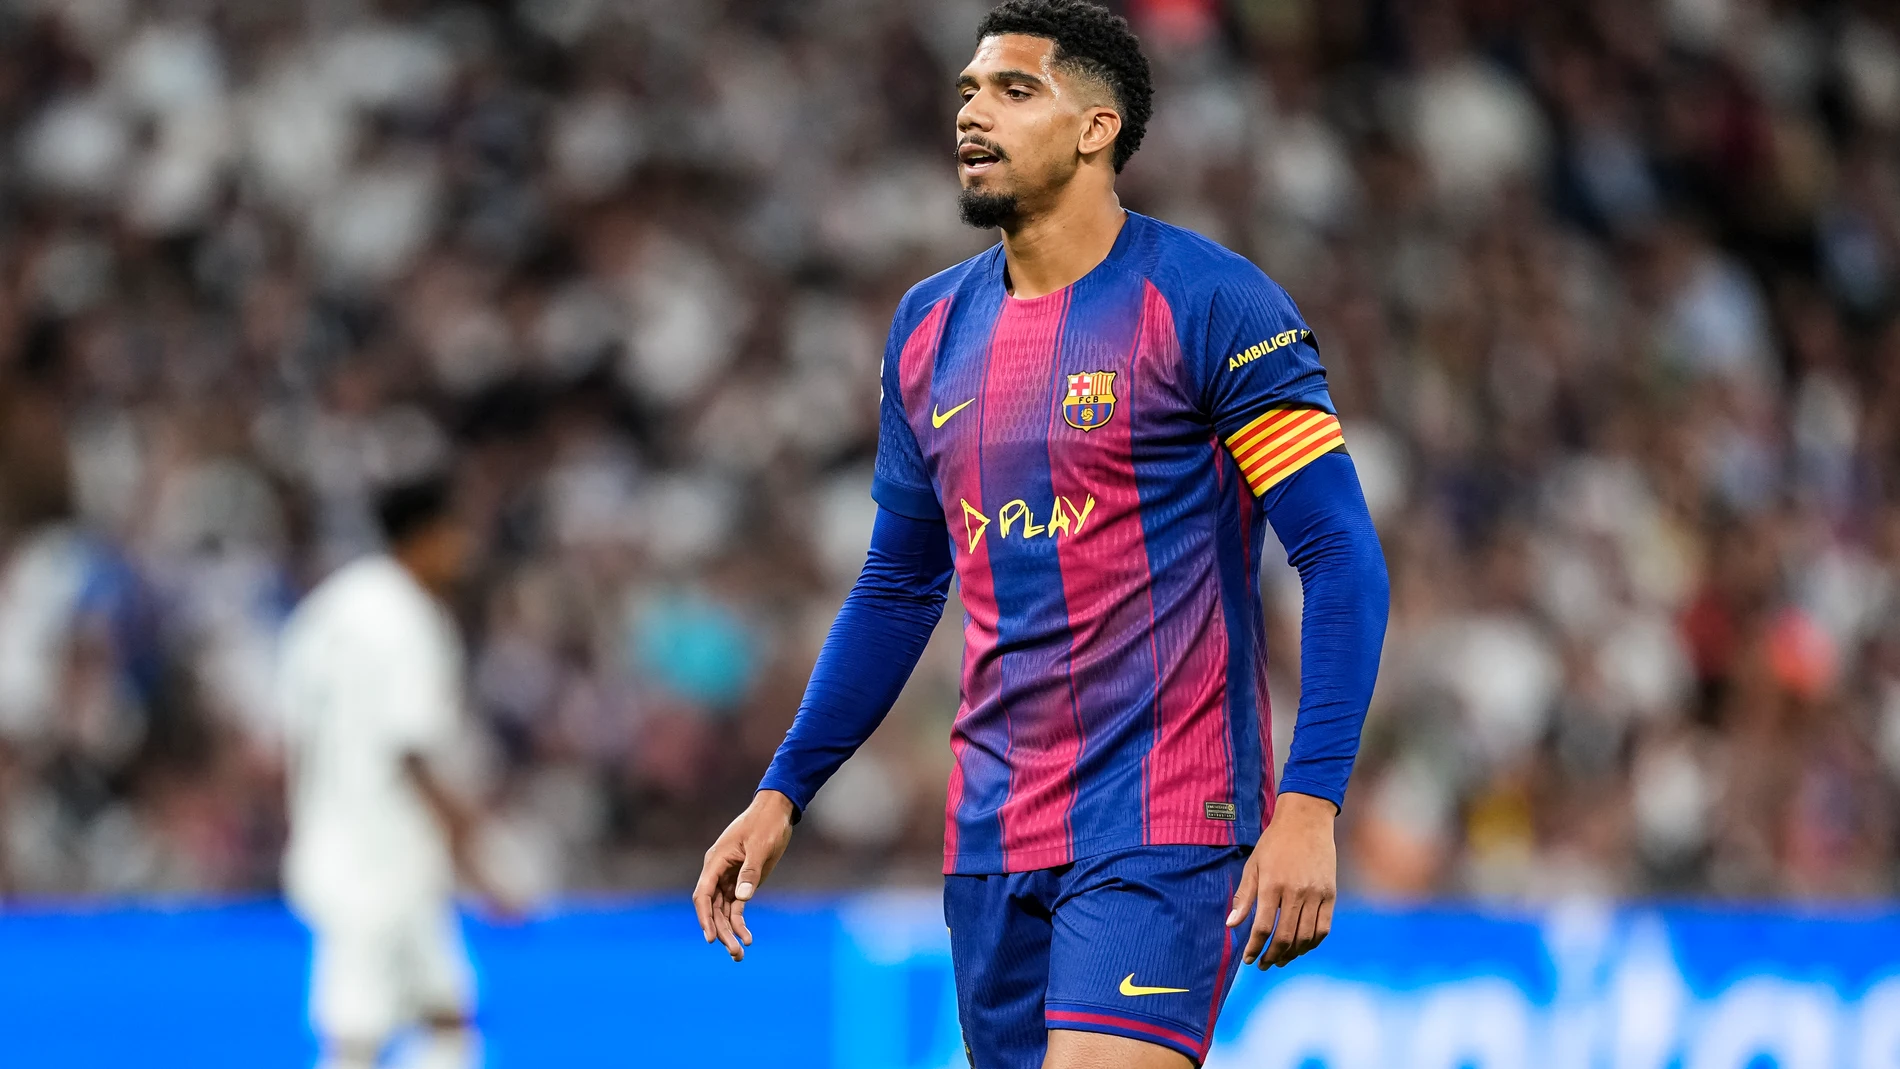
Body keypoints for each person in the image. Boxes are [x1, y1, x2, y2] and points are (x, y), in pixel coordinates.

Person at [694, 1, 1390, 1066]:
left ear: (1095, 128)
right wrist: (782, 789)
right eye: (969, 90)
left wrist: (1308, 802)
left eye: (1013, 90)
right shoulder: (928, 328)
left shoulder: (1210, 304)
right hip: (992, 837)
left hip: (1163, 820)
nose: (972, 111)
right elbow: (895, 589)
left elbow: (1337, 552)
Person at [278, 474, 507, 1069]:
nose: (463, 549)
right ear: (425, 536)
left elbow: (297, 733)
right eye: (454, 533)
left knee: (445, 1011)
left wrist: (304, 821)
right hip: (385, 856)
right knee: (358, 1032)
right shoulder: (408, 619)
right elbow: (410, 751)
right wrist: (476, 854)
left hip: (334, 839)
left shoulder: (328, 609)